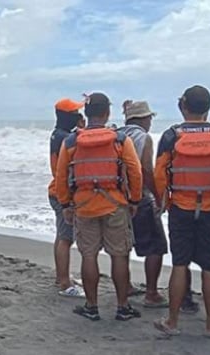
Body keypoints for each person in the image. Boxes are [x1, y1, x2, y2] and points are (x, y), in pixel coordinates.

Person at [55, 92, 144, 322]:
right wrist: (134, 200)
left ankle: (91, 306)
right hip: (116, 204)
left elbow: (61, 176)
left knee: (89, 256)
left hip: (84, 206)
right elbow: (135, 171)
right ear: (106, 113)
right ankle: (123, 307)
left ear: (86, 113)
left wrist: (65, 204)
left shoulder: (71, 142)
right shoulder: (120, 139)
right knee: (120, 255)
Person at [154, 85, 210, 338]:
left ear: (183, 107)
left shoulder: (171, 135)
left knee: (179, 264)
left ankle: (172, 322)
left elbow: (160, 174)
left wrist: (163, 202)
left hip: (181, 208)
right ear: (208, 109)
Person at [118, 100, 169, 308]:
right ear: (143, 119)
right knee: (155, 246)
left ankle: (126, 286)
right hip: (140, 197)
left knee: (122, 246)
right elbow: (146, 170)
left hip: (117, 198)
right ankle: (151, 293)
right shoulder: (143, 138)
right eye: (149, 118)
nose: (150, 122)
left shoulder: (117, 134)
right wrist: (158, 197)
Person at [49, 98, 86, 298]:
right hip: (62, 193)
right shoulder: (66, 138)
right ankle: (64, 283)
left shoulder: (59, 134)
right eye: (76, 113)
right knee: (65, 238)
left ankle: (61, 276)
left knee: (62, 236)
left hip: (56, 190)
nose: (80, 116)